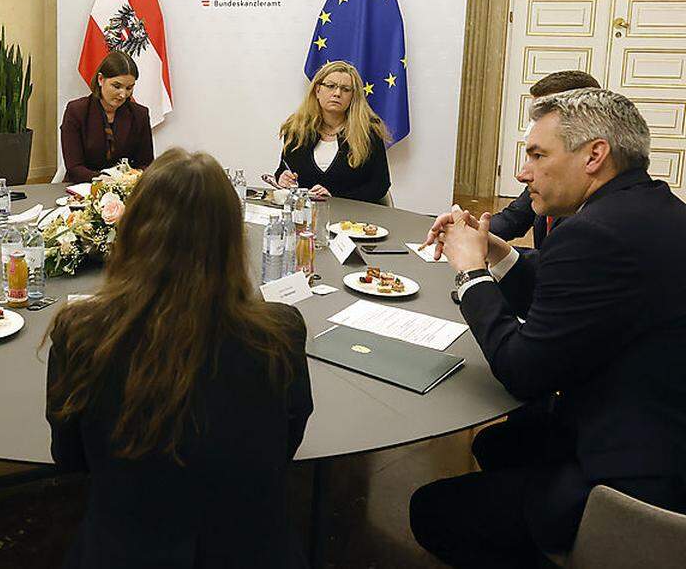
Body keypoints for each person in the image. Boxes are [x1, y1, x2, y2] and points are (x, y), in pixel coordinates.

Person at [411, 89, 686, 567]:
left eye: (538, 154)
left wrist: (470, 273)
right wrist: (494, 249)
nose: (522, 172)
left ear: (595, 155)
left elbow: (522, 371)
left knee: (430, 510)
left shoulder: (592, 233)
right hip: (657, 421)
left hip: (634, 472)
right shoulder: (651, 209)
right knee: (498, 442)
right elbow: (568, 295)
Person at [45, 148, 313, 568]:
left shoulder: (80, 332)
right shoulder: (280, 332)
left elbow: (70, 457)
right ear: (231, 237)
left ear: (134, 230)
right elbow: (285, 444)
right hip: (253, 550)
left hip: (122, 550)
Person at [489, 70, 601, 248]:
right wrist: (469, 232)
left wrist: (482, 255)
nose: (521, 175)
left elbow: (557, 265)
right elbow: (512, 219)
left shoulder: (600, 216)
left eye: (542, 116)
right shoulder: (549, 176)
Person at [275, 60, 391, 203]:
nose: (337, 93)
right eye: (330, 86)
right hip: (304, 216)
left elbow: (380, 185)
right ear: (317, 90)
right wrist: (283, 177)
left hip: (352, 219)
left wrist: (335, 198)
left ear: (353, 97)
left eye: (346, 89)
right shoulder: (297, 129)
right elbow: (283, 168)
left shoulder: (369, 132)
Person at [61, 50, 154, 184]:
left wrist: (133, 177)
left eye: (129, 88)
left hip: (125, 188)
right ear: (100, 80)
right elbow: (74, 168)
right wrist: (103, 179)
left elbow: (146, 164)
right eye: (117, 86)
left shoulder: (140, 114)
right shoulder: (76, 111)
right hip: (83, 187)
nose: (123, 94)